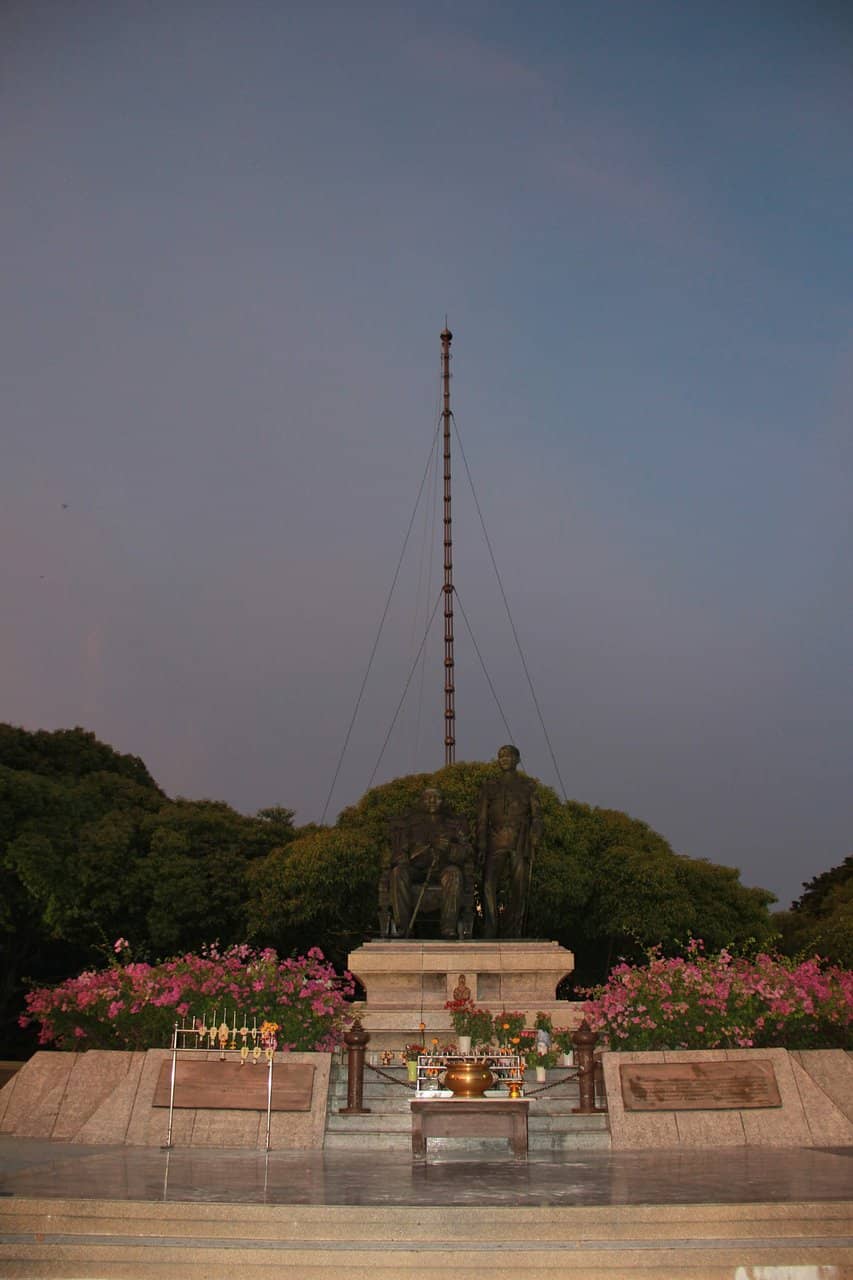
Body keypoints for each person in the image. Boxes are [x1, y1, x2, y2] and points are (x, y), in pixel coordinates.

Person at [378, 787, 474, 939]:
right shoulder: (409, 825)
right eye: (428, 798)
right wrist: (415, 854)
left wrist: (449, 848)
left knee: (454, 874)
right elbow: (399, 853)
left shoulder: (454, 825)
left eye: (437, 797)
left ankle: (448, 928)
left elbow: (467, 851)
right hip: (416, 869)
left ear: (443, 802)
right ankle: (403, 927)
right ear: (421, 802)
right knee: (398, 873)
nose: (432, 801)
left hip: (443, 868)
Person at [478, 745, 543, 937]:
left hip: (519, 839)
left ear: (517, 759)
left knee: (518, 886)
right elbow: (481, 819)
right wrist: (481, 842)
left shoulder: (528, 787)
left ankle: (513, 929)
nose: (504, 759)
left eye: (508, 755)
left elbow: (537, 815)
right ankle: (491, 926)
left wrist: (535, 835)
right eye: (501, 756)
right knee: (488, 883)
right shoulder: (489, 786)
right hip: (495, 839)